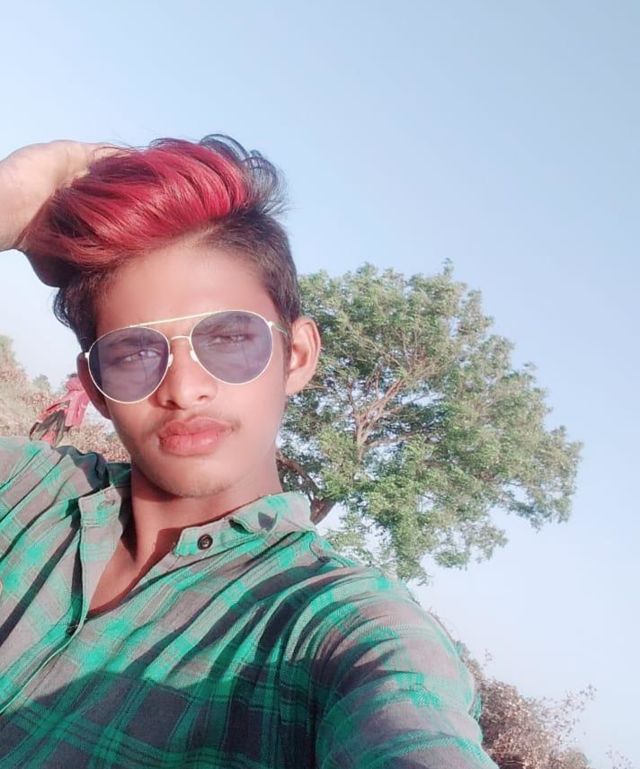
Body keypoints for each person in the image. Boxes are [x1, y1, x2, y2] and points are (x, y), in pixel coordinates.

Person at [0, 137, 498, 768]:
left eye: (230, 338)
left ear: (297, 355)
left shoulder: (335, 631)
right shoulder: (25, 491)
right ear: (95, 387)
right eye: (133, 353)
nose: (184, 388)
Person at [29, 373, 90, 446]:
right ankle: (38, 443)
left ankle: (42, 445)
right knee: (49, 428)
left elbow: (82, 407)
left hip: (68, 414)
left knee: (55, 432)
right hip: (63, 410)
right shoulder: (83, 384)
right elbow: (69, 384)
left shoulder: (87, 388)